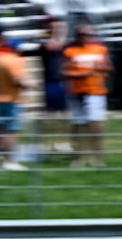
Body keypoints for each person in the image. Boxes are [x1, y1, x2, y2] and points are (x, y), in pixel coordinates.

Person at [62, 26, 112, 167]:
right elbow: (63, 72)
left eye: (88, 34)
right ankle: (78, 156)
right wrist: (81, 75)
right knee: (78, 124)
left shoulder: (100, 50)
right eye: (81, 34)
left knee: (95, 124)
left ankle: (97, 157)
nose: (85, 37)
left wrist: (102, 69)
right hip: (76, 92)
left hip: (96, 91)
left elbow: (109, 69)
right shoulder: (70, 51)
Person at [0, 36, 31, 170]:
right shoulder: (15, 61)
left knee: (0, 130)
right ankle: (10, 161)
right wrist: (30, 84)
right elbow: (17, 80)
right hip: (11, 100)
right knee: (10, 132)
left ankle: (2, 162)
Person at [39, 17, 73, 154]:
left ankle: (62, 142)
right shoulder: (42, 36)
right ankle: (45, 143)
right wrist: (59, 33)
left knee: (64, 113)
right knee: (49, 114)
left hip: (63, 80)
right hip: (50, 80)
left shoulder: (65, 40)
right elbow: (52, 47)